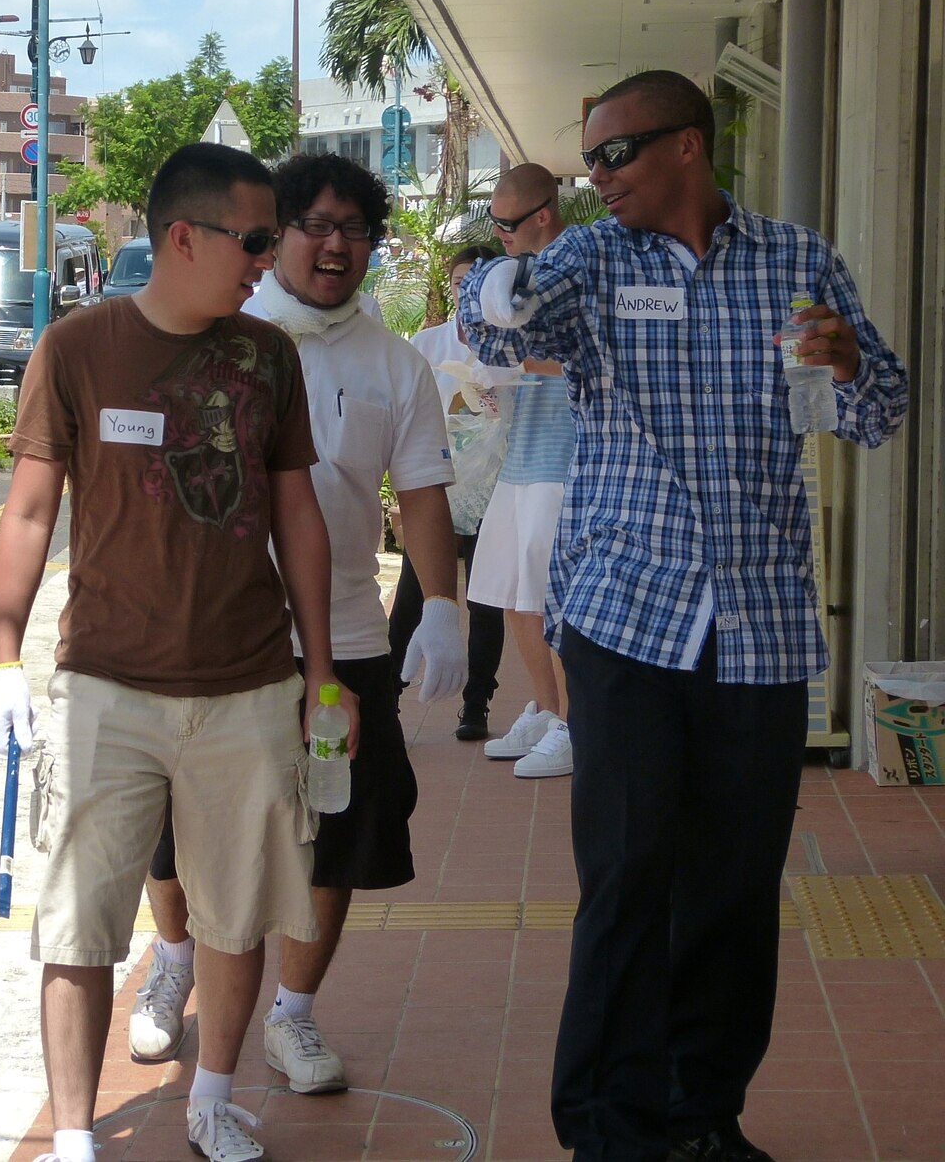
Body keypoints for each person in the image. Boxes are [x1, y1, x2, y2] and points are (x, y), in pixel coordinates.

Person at [461, 70, 907, 1162]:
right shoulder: (594, 260)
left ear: (688, 149)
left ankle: (701, 1113)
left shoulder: (793, 260)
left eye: (614, 155)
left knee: (732, 888)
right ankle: (606, 1128)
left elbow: (880, 407)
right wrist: (503, 286)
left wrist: (848, 361)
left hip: (756, 625)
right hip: (626, 614)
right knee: (624, 876)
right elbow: (495, 333)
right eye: (588, 161)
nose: (597, 178)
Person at [0, 141, 352, 1162]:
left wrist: (320, 669)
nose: (267, 258)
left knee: (238, 911)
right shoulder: (76, 347)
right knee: (76, 920)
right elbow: (26, 511)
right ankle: (70, 1132)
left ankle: (212, 1100)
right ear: (179, 237)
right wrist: (3, 657)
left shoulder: (265, 355)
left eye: (271, 240)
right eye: (254, 239)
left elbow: (295, 515)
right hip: (104, 682)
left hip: (245, 684)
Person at [131, 153, 467, 1105]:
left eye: (354, 230)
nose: (334, 245)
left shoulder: (395, 365)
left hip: (348, 637)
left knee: (339, 834)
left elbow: (427, 495)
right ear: (273, 235)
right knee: (172, 828)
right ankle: (173, 960)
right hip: (207, 636)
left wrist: (442, 605)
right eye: (315, 225)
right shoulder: (217, 334)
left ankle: (291, 1010)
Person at [465, 165, 576, 778]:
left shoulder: (571, 271)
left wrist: (515, 361)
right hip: (522, 453)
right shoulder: (514, 275)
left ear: (544, 213)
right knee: (513, 595)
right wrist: (493, 383)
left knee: (548, 599)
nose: (500, 234)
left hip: (565, 461)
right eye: (493, 221)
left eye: (508, 223)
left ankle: (572, 725)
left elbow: (583, 357)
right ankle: (545, 707)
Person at [387, 244, 509, 739]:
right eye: (459, 284)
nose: (466, 293)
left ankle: (476, 703)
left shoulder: (511, 343)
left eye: (476, 283)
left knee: (485, 599)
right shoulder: (428, 342)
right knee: (415, 593)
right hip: (435, 487)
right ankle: (386, 698)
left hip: (492, 489)